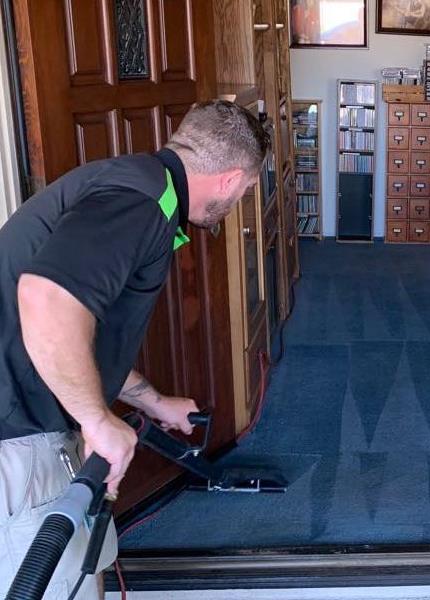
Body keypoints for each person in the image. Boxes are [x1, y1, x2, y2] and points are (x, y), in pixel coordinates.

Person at [0, 100, 268, 599]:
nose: (238, 204)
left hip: (31, 426)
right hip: (16, 439)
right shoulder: (140, 202)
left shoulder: (144, 188)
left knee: (88, 572)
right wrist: (98, 421)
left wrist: (153, 401)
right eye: (247, 190)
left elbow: (77, 337)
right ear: (231, 180)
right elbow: (46, 299)